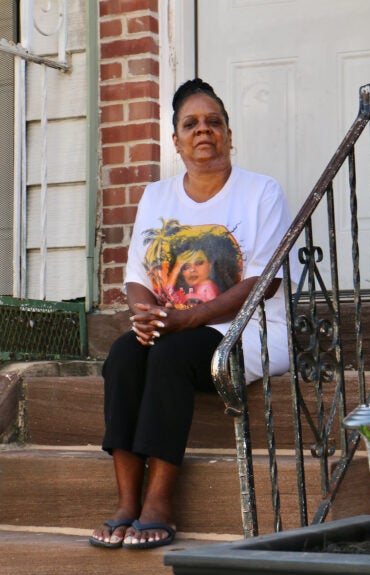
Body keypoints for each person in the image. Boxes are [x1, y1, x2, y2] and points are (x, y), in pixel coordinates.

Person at [90, 78, 294, 549]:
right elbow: (138, 277)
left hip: (250, 332)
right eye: (191, 124)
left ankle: (159, 503)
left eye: (214, 122)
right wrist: (147, 316)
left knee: (171, 355)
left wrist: (184, 320)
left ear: (228, 133)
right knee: (123, 355)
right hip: (178, 332)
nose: (204, 130)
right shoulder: (157, 196)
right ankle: (126, 501)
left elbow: (265, 282)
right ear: (176, 139)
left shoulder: (261, 193)